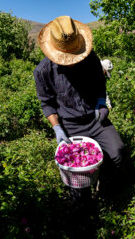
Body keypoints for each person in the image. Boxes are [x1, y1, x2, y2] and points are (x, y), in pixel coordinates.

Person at [33, 16, 125, 203]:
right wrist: (57, 128)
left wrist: (101, 103)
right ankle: (82, 210)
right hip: (70, 125)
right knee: (78, 178)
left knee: (118, 152)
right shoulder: (43, 71)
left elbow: (100, 83)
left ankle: (104, 188)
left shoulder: (90, 58)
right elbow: (46, 103)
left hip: (95, 119)